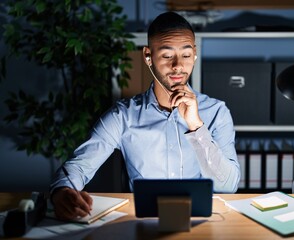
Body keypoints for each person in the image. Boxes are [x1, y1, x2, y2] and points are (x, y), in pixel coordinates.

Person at [50, 11, 241, 221]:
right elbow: (78, 166)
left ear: (194, 54)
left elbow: (229, 186)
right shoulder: (123, 115)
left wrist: (196, 126)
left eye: (186, 55)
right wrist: (63, 191)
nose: (178, 65)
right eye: (167, 55)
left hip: (200, 222)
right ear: (148, 56)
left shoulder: (217, 112)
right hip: (143, 223)